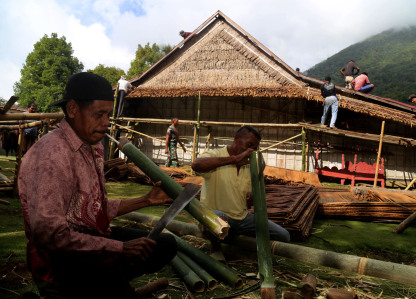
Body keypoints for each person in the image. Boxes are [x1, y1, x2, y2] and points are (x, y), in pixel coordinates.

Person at [18, 72, 177, 299]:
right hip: (61, 259)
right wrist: (119, 249)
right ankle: (72, 289)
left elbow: (93, 208)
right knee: (120, 271)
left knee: (162, 245)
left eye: (109, 115)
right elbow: (50, 236)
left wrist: (146, 200)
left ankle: (104, 284)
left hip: (92, 241)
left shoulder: (93, 147)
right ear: (72, 109)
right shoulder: (52, 155)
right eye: (99, 114)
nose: (106, 122)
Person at [191, 126, 290, 243]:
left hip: (242, 218)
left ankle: (235, 238)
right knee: (217, 220)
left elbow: (249, 202)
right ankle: (216, 248)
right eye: (249, 145)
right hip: (219, 216)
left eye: (254, 148)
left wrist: (252, 198)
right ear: (237, 139)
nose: (251, 151)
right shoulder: (217, 154)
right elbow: (196, 165)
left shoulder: (249, 165)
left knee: (283, 236)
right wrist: (234, 159)